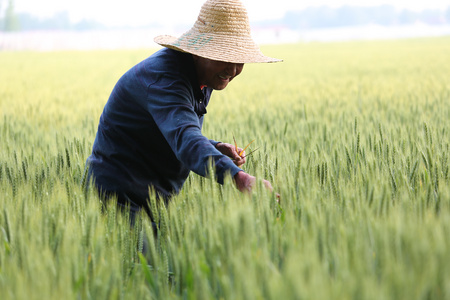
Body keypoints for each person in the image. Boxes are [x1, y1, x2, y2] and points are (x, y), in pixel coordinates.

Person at [85, 0, 282, 221]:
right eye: (225, 58)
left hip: (153, 198)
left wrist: (215, 147)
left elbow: (170, 131)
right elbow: (185, 139)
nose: (233, 70)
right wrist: (239, 177)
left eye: (240, 61)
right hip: (118, 199)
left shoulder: (204, 75)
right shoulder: (165, 80)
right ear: (199, 51)